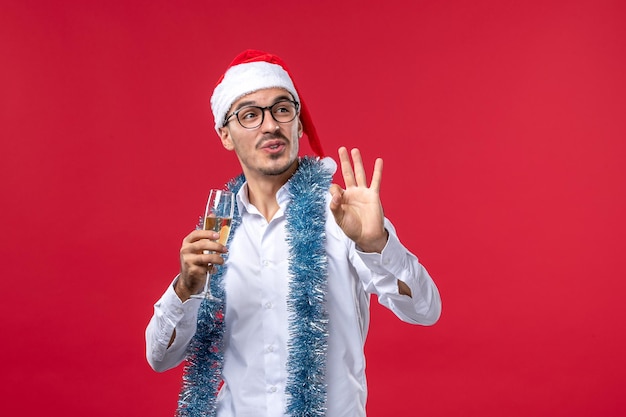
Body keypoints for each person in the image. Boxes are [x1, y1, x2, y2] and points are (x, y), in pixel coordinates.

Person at [145, 49, 442, 417]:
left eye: (282, 109)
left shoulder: (342, 213)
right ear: (225, 134)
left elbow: (426, 310)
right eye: (250, 115)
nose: (270, 125)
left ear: (298, 124)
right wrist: (185, 289)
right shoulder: (215, 233)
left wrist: (376, 245)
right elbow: (160, 358)